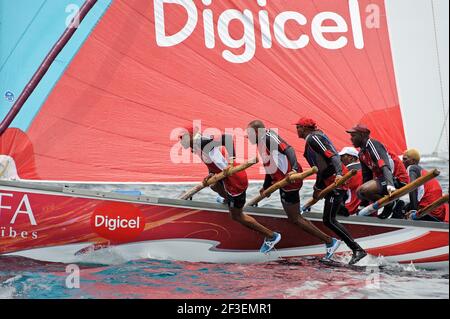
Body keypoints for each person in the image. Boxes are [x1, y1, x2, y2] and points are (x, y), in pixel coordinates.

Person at [246, 120, 341, 260]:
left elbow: (289, 149)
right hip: (282, 182)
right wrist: (266, 186)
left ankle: (329, 241)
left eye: (248, 133)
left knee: (295, 218)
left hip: (291, 181)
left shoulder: (268, 137)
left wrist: (295, 169)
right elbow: (270, 166)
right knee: (294, 216)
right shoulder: (262, 142)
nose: (247, 137)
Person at [179, 125, 281, 253]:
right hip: (225, 179)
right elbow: (214, 160)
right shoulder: (196, 145)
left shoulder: (202, 142)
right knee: (214, 185)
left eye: (182, 138)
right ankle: (229, 201)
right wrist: (211, 173)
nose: (180, 141)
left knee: (236, 216)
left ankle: (271, 236)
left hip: (235, 181)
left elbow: (227, 138)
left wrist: (232, 161)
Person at [294, 118, 367, 265]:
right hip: (329, 182)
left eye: (298, 127)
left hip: (336, 182)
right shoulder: (313, 138)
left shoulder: (314, 137)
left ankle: (358, 250)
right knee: (331, 215)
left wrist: (339, 174)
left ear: (304, 128)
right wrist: (317, 187)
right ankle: (352, 237)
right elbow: (321, 168)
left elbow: (332, 155)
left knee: (328, 219)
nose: (297, 130)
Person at [346, 124, 410, 219]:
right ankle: (389, 204)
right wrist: (362, 203)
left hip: (397, 179)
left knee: (363, 190)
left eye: (353, 136)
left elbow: (385, 166)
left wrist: (390, 185)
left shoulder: (373, 144)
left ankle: (390, 204)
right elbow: (366, 177)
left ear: (363, 135)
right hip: (383, 179)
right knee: (360, 192)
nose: (351, 139)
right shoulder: (361, 154)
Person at [402, 149, 448, 222]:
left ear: (413, 161)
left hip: (428, 213)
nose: (402, 162)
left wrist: (413, 210)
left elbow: (412, 187)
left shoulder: (412, 168)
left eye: (405, 159)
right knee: (405, 206)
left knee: (402, 208)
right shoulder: (423, 172)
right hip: (439, 215)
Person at [338, 147, 363, 216]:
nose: (340, 159)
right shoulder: (367, 169)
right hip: (367, 208)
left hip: (349, 209)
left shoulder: (344, 172)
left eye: (342, 156)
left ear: (351, 158)